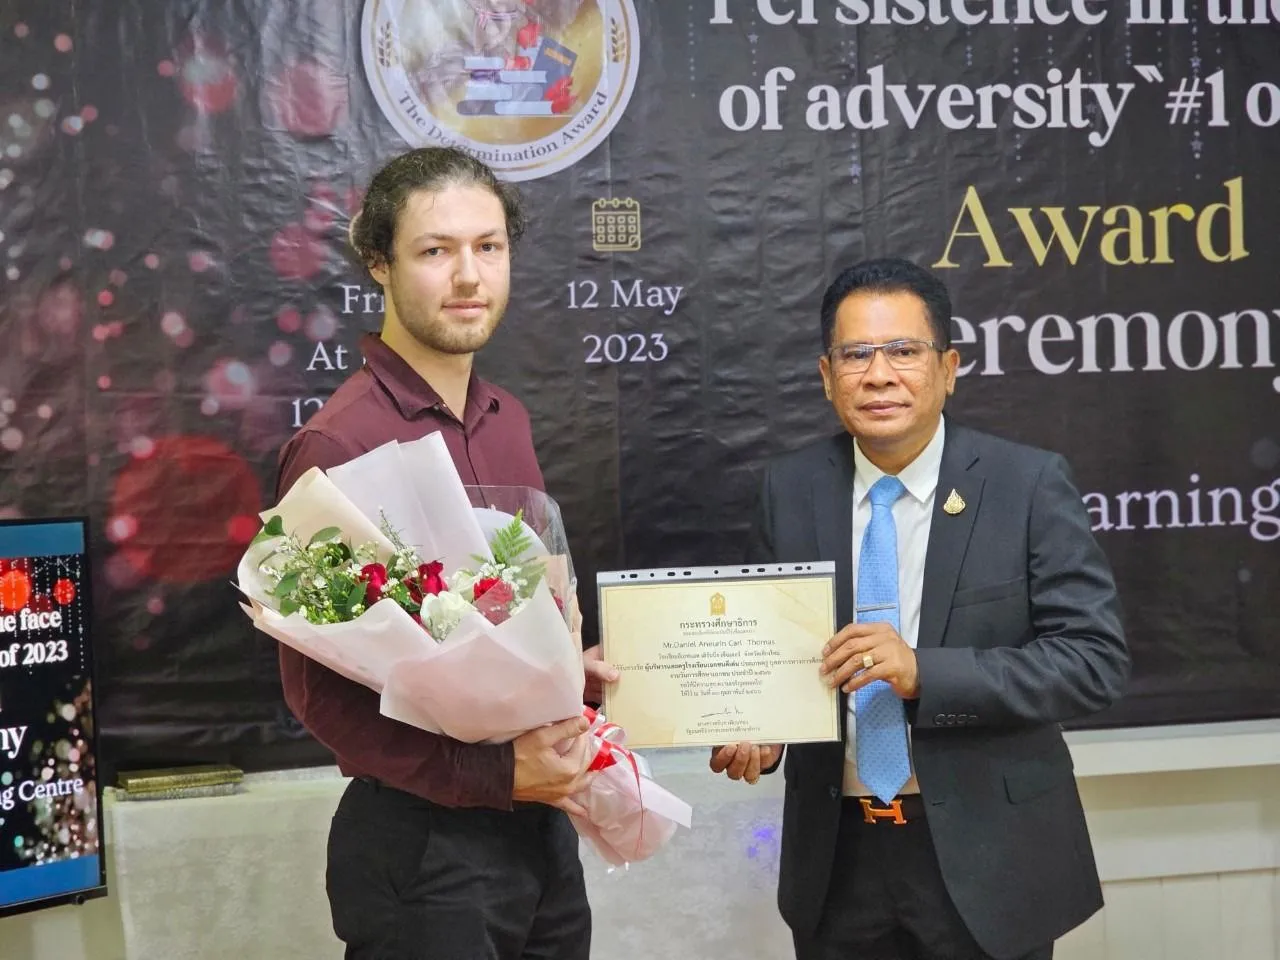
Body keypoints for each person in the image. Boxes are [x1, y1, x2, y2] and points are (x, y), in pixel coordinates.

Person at [710, 257, 1129, 960]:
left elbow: (1093, 663)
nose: (879, 374)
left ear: (949, 367)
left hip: (989, 858)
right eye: (856, 355)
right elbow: (778, 656)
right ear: (825, 375)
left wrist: (923, 673)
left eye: (904, 350)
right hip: (836, 860)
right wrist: (765, 726)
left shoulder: (1026, 484)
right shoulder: (789, 489)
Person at [274, 146, 616, 960]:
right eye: (436, 251)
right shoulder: (338, 441)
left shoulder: (508, 419)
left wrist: (564, 676)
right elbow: (317, 694)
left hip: (538, 835)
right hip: (422, 847)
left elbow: (514, 611)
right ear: (378, 265)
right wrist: (490, 777)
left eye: (488, 247)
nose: (469, 275)